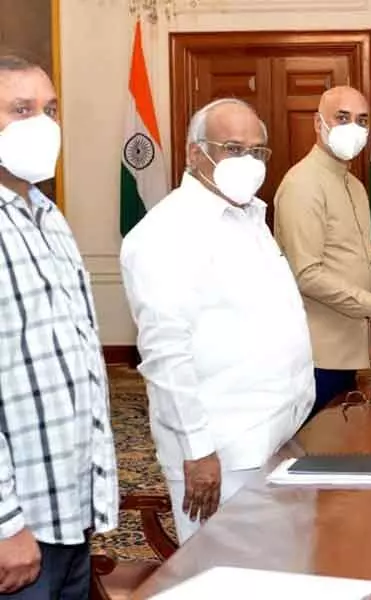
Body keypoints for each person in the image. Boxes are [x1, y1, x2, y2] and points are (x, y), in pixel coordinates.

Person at [120, 98, 314, 543]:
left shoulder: (250, 216)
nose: (248, 161)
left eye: (258, 150)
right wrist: (198, 453)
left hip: (273, 434)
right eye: (232, 147)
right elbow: (166, 354)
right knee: (223, 577)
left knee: (279, 569)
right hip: (221, 450)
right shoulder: (167, 233)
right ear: (195, 153)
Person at [0, 55, 118, 596]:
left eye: (50, 110)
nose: (42, 125)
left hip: (68, 512)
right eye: (21, 110)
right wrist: (5, 525)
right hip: (16, 526)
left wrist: (94, 501)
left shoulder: (48, 216)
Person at [274, 86, 371, 419]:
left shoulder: (353, 185)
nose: (353, 128)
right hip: (315, 354)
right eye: (342, 118)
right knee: (310, 453)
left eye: (362, 120)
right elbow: (308, 275)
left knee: (338, 449)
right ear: (318, 123)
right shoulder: (303, 184)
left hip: (348, 348)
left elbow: (345, 263)